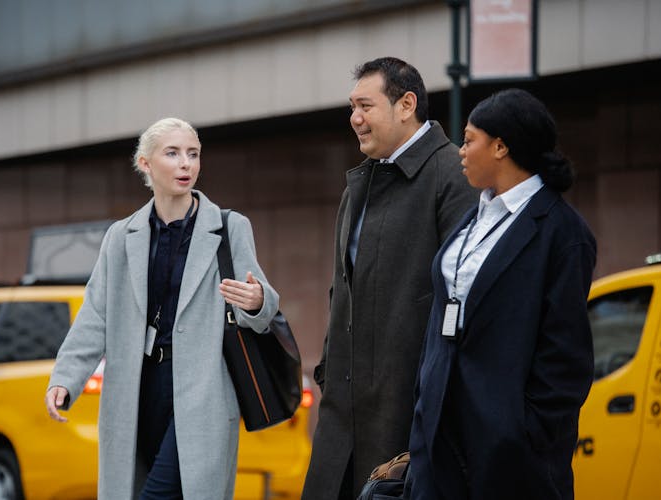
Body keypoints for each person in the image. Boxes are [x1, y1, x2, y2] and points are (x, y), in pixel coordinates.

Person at [44, 117, 279, 500]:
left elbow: (263, 299)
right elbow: (95, 314)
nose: (186, 163)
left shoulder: (229, 227)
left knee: (156, 495)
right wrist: (65, 378)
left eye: (193, 154)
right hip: (137, 389)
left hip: (203, 390)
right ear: (146, 163)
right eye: (173, 153)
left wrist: (257, 300)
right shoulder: (121, 237)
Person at [406, 88, 596, 499]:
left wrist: (524, 431)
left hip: (507, 454)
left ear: (501, 146)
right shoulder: (473, 218)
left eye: (470, 139)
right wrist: (425, 402)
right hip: (438, 438)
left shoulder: (562, 232)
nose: (461, 150)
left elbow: (567, 356)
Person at [303, 57, 477, 500]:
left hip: (406, 415)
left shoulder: (452, 176)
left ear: (406, 104)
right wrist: (328, 372)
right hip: (343, 412)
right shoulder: (358, 185)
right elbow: (341, 290)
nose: (355, 119)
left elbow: (465, 300)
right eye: (352, 107)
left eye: (366, 106)